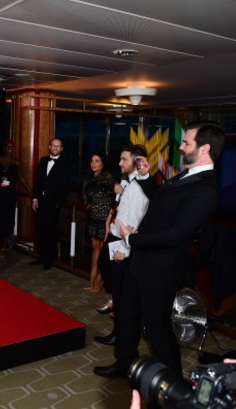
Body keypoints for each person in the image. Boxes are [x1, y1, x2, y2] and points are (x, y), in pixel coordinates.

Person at [94, 121, 226, 377]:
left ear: (204, 148)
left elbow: (175, 235)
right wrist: (144, 177)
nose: (180, 146)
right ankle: (124, 363)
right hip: (141, 261)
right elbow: (158, 205)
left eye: (186, 142)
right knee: (126, 315)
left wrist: (131, 240)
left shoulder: (205, 189)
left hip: (161, 270)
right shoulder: (184, 176)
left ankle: (173, 387)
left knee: (157, 329)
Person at [95, 145, 152, 345]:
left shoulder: (136, 189)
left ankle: (121, 334)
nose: (119, 163)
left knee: (122, 294)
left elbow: (134, 222)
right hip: (116, 239)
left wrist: (123, 249)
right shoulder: (130, 183)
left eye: (124, 159)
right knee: (117, 288)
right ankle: (119, 331)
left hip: (122, 245)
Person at [30, 138, 70, 270]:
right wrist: (35, 198)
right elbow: (38, 180)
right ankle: (41, 257)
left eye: (58, 146)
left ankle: (49, 260)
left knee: (50, 232)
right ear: (49, 147)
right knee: (40, 230)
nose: (55, 148)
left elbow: (65, 187)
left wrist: (58, 203)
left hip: (53, 204)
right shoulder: (43, 160)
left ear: (62, 149)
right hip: (40, 202)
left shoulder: (65, 164)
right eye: (53, 146)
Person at [83, 152, 115, 292]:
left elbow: (115, 197)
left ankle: (99, 283)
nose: (93, 163)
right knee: (95, 248)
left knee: (103, 250)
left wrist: (110, 217)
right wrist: (89, 204)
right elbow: (87, 194)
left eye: (97, 161)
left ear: (103, 163)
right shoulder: (91, 177)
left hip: (105, 217)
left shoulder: (108, 177)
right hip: (93, 216)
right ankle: (92, 281)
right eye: (91, 160)